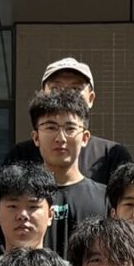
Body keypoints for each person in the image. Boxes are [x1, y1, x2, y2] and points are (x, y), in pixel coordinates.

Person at [26, 85, 110, 250]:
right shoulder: (21, 199)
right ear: (35, 137)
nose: (61, 138)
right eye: (51, 127)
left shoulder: (106, 198)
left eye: (70, 128)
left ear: (85, 138)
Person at [28, 55, 131, 184]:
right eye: (55, 88)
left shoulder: (112, 154)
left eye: (76, 89)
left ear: (91, 98)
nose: (66, 94)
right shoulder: (21, 155)